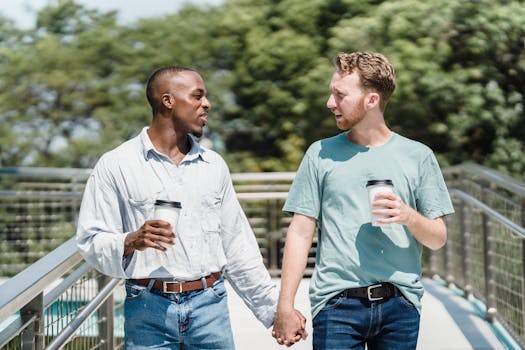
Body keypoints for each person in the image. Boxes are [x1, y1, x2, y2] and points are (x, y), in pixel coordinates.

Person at [76, 66, 306, 349]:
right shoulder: (116, 164)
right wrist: (130, 240)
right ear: (168, 101)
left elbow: (237, 246)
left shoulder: (214, 166)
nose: (206, 104)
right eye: (197, 96)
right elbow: (90, 239)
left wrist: (275, 312)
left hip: (210, 307)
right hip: (147, 311)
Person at [272, 52, 454, 349]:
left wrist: (408, 216)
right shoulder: (319, 154)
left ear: (371, 100)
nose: (330, 103)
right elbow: (300, 231)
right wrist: (285, 306)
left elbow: (438, 238)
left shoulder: (418, 156)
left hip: (401, 306)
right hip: (336, 306)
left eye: (340, 95)